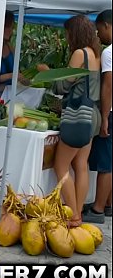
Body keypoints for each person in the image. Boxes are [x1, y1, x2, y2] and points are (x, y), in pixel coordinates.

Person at [37, 15, 102, 228]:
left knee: (61, 165)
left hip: (77, 117)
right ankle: (79, 214)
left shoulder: (79, 53)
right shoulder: (95, 54)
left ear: (73, 33)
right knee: (81, 164)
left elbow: (63, 86)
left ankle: (73, 215)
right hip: (92, 115)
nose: (66, 38)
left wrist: (47, 74)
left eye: (67, 33)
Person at [84, 9, 112, 224]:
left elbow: (108, 85)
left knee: (105, 163)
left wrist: (104, 117)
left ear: (106, 25)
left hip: (111, 112)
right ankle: (109, 205)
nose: (98, 34)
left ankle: (98, 209)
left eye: (99, 29)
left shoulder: (108, 52)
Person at [0, 10, 29, 94]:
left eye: (12, 27)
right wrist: (12, 75)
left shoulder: (10, 46)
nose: (11, 31)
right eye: (9, 27)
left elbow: (17, 72)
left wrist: (27, 81)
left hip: (11, 92)